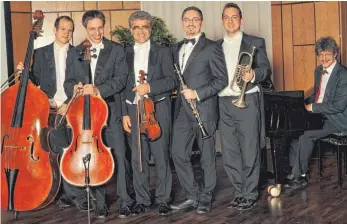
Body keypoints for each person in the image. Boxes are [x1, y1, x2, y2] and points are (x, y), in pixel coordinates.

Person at [63, 10, 133, 219]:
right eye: (92, 29)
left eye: (100, 28)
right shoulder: (75, 52)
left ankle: (125, 201)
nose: (97, 33)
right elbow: (67, 82)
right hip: (87, 117)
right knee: (94, 159)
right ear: (85, 28)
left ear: (104, 26)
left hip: (111, 112)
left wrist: (97, 89)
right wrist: (73, 87)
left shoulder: (117, 50)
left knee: (120, 157)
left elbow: (121, 80)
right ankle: (101, 203)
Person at [16, 16, 89, 210]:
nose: (67, 33)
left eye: (70, 30)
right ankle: (73, 196)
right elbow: (35, 80)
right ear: (55, 30)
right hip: (50, 109)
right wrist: (24, 73)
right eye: (63, 29)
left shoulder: (79, 53)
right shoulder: (40, 53)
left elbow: (82, 81)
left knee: (69, 152)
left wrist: (68, 102)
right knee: (60, 151)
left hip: (72, 107)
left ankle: (66, 194)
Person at [170, 6, 228, 214]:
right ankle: (192, 194)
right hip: (182, 112)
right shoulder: (176, 48)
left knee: (207, 157)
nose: (191, 23)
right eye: (187, 19)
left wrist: (198, 93)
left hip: (203, 109)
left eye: (195, 20)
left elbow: (221, 79)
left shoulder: (212, 47)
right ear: (182, 22)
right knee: (178, 152)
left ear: (201, 22)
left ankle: (206, 197)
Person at [121, 11, 176, 216]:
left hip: (157, 110)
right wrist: (124, 114)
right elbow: (121, 86)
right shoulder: (124, 52)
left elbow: (171, 81)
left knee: (161, 156)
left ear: (150, 29)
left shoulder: (162, 52)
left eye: (145, 27)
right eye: (137, 27)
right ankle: (142, 200)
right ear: (131, 30)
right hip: (133, 111)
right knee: (138, 158)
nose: (141, 31)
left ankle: (163, 199)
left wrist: (149, 87)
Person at [217, 2, 272, 211]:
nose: (230, 21)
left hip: (247, 100)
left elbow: (266, 69)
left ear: (241, 19)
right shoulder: (215, 46)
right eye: (226, 17)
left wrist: (254, 74)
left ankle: (250, 193)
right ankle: (239, 192)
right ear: (222, 20)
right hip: (223, 102)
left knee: (249, 149)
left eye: (234, 17)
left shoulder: (255, 42)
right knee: (229, 152)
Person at [285, 36, 347, 190]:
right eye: (321, 54)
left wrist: (312, 108)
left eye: (327, 54)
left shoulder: (343, 74)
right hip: (320, 114)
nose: (324, 58)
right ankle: (295, 170)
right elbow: (317, 94)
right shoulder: (318, 70)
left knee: (306, 134)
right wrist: (301, 103)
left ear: (335, 54)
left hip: (337, 119)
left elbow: (338, 106)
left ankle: (301, 177)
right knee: (293, 129)